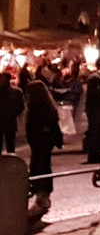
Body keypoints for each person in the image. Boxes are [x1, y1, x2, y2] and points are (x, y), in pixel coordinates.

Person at [25, 81, 63, 216]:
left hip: (39, 143)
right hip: (45, 143)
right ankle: (44, 195)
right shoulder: (48, 107)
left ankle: (41, 194)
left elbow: (33, 128)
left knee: (38, 167)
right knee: (44, 166)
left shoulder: (36, 108)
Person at [81, 73, 100, 163]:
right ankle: (95, 154)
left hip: (94, 113)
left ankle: (95, 154)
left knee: (95, 133)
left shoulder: (91, 91)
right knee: (97, 133)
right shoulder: (96, 92)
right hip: (97, 113)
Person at [0, 71, 23, 154]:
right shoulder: (15, 93)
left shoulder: (16, 93)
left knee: (10, 144)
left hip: (9, 121)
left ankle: (11, 161)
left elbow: (20, 107)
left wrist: (12, 113)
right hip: (7, 121)